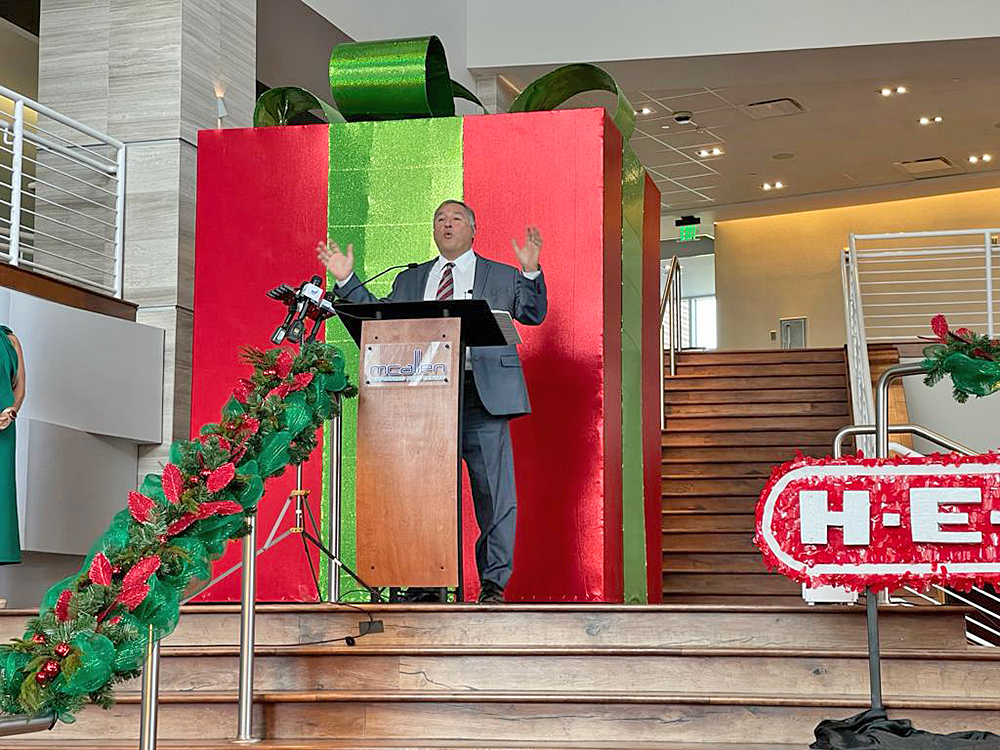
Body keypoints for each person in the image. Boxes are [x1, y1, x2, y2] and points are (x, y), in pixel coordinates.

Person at [318, 199, 547, 603]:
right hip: (424, 397)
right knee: (422, 492)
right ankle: (426, 584)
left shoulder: (502, 274)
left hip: (482, 396)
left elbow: (533, 313)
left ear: (473, 229)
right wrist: (347, 280)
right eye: (440, 219)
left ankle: (492, 585)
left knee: (494, 495)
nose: (447, 224)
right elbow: (379, 320)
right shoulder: (411, 279)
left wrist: (530, 271)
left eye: (456, 218)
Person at [0, 326, 25, 566]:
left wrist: (11, 411)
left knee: (2, 493)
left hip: (3, 427)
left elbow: (19, 388)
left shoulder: (9, 340)